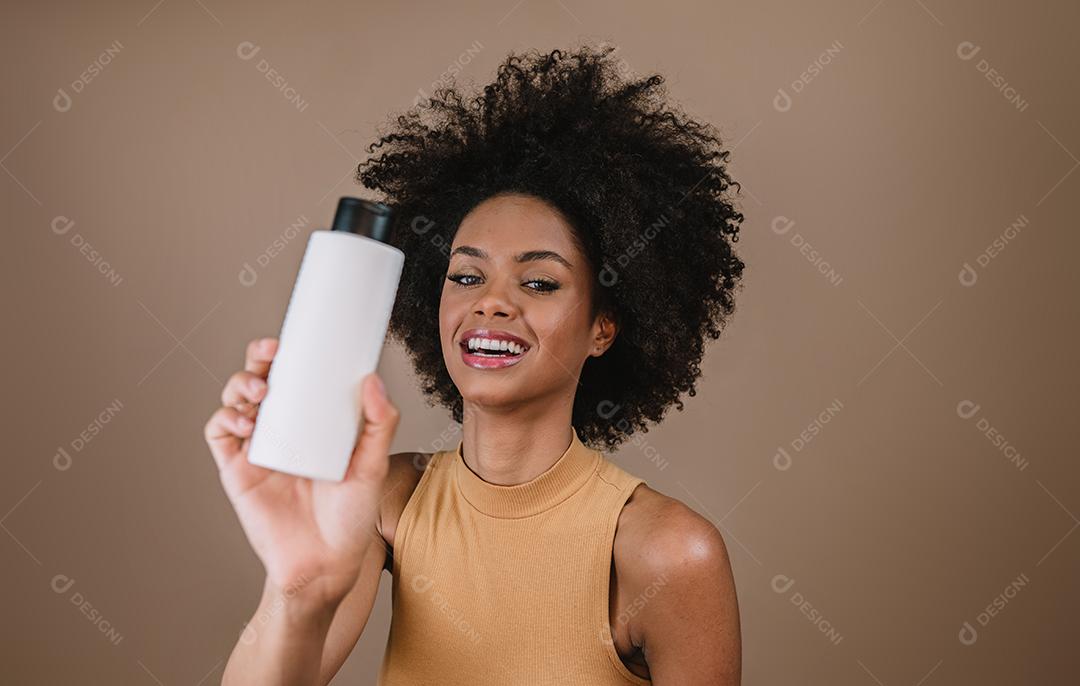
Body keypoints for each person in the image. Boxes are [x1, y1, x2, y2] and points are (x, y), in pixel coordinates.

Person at [205, 44, 746, 685]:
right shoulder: (387, 500)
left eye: (539, 283)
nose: (491, 302)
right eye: (466, 274)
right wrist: (295, 588)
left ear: (604, 326)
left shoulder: (668, 553)